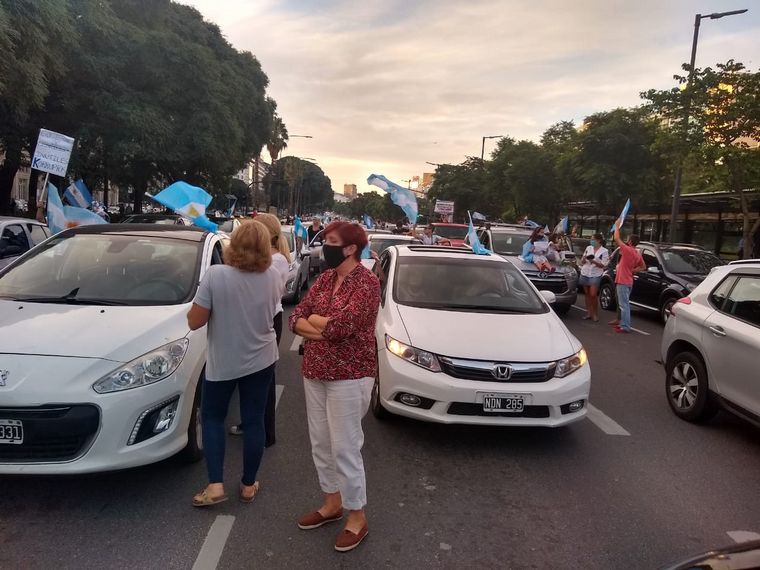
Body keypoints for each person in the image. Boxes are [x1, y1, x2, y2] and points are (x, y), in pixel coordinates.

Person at [289, 221, 381, 553]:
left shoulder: (367, 283)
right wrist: (317, 323)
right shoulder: (326, 278)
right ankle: (332, 503)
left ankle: (357, 516)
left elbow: (343, 327)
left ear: (351, 248)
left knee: (345, 446)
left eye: (330, 241)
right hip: (315, 369)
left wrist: (315, 324)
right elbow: (296, 315)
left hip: (350, 374)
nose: (323, 245)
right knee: (321, 442)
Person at [186, 220, 280, 507]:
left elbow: (195, 321)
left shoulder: (215, 276)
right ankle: (249, 484)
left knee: (213, 418)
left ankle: (216, 486)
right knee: (254, 421)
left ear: (233, 245)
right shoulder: (273, 276)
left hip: (224, 360)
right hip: (262, 358)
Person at [229, 214, 290, 446]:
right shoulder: (271, 258)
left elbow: (252, 285)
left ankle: (265, 432)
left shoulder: (277, 261)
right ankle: (251, 423)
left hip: (268, 318)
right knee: (250, 376)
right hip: (257, 317)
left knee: (263, 378)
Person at [610, 221, 645, 334]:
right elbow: (643, 266)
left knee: (624, 305)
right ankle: (623, 324)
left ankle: (625, 326)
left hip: (623, 281)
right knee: (624, 303)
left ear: (630, 241)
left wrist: (616, 226)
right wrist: (633, 270)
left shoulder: (627, 250)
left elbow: (616, 238)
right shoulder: (636, 253)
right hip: (628, 280)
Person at [579, 233, 609, 322]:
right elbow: (582, 262)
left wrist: (593, 261)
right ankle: (589, 313)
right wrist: (584, 258)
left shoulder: (604, 251)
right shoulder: (589, 248)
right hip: (585, 272)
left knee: (593, 294)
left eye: (593, 239)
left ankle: (595, 313)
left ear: (598, 240)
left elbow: (603, 265)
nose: (591, 241)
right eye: (591, 239)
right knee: (587, 293)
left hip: (595, 274)